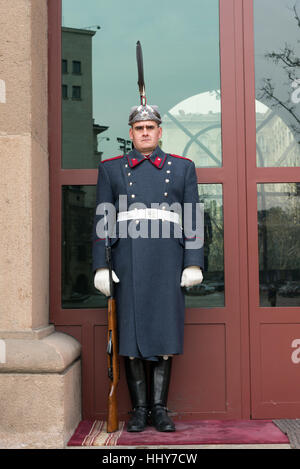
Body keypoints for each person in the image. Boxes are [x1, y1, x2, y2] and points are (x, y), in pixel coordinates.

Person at [92, 103, 204, 432]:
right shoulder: (112, 169)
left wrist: (193, 261)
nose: (145, 133)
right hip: (127, 263)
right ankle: (139, 410)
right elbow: (102, 217)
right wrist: (101, 264)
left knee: (164, 334)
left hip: (169, 263)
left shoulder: (183, 168)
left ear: (159, 131)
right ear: (131, 134)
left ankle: (160, 408)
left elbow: (194, 217)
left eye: (150, 127)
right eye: (139, 129)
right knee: (130, 337)